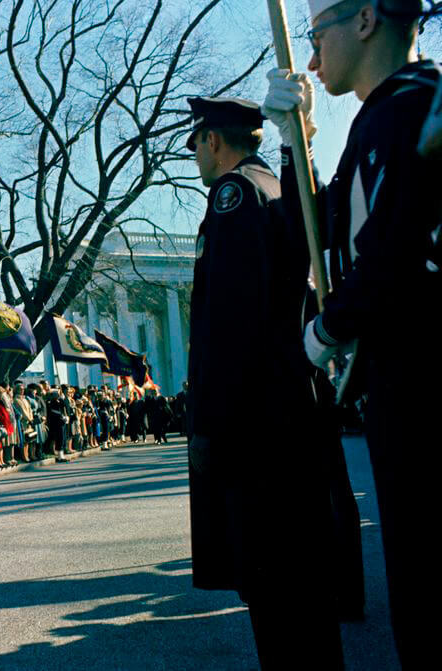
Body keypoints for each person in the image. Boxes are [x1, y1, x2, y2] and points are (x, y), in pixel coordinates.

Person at [264, 2, 441, 663]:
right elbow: (318, 240)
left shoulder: (414, 106)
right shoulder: (382, 117)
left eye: (316, 35)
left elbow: (393, 251)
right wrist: (295, 141)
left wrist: (327, 329)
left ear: (365, 19)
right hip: (401, 392)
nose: (310, 57)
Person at [184, 95, 343, 668]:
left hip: (252, 426)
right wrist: (292, 145)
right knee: (302, 585)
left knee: (273, 586)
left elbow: (227, 324)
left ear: (213, 141)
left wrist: (208, 426)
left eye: (196, 145)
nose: (196, 159)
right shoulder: (275, 187)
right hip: (289, 408)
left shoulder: (233, 195)